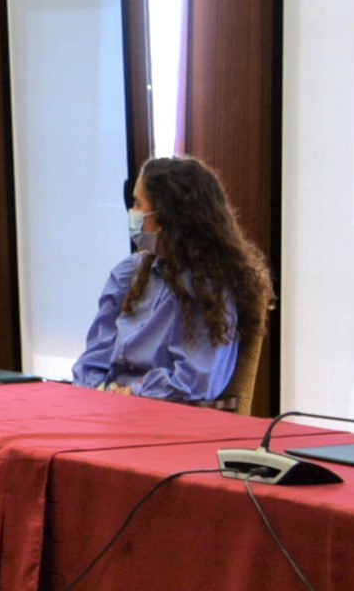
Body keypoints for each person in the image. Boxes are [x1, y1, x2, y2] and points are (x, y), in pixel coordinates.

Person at [72, 156, 270, 407]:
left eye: (137, 203)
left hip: (167, 418)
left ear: (166, 215)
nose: (132, 213)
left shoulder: (210, 286)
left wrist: (134, 392)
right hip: (110, 410)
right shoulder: (128, 274)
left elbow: (198, 381)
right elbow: (92, 361)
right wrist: (97, 392)